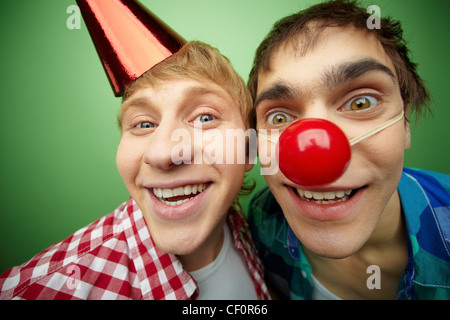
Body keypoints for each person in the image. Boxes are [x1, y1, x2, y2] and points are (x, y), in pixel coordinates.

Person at [0, 41, 269, 300]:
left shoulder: (248, 227)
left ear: (248, 149)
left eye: (205, 118)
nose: (163, 153)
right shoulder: (49, 287)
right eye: (143, 124)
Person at [247, 0, 450, 299]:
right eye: (280, 117)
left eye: (360, 103)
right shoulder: (263, 219)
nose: (315, 158)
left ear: (404, 122)